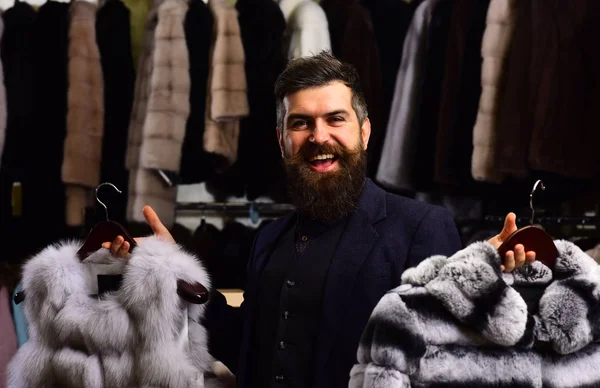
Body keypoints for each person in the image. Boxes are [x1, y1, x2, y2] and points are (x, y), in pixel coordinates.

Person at [104, 52, 536, 388]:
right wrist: (171, 270)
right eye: (301, 123)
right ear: (282, 140)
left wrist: (487, 283)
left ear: (364, 132)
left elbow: (449, 357)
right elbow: (246, 348)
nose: (318, 137)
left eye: (335, 119)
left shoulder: (420, 226)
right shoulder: (268, 239)